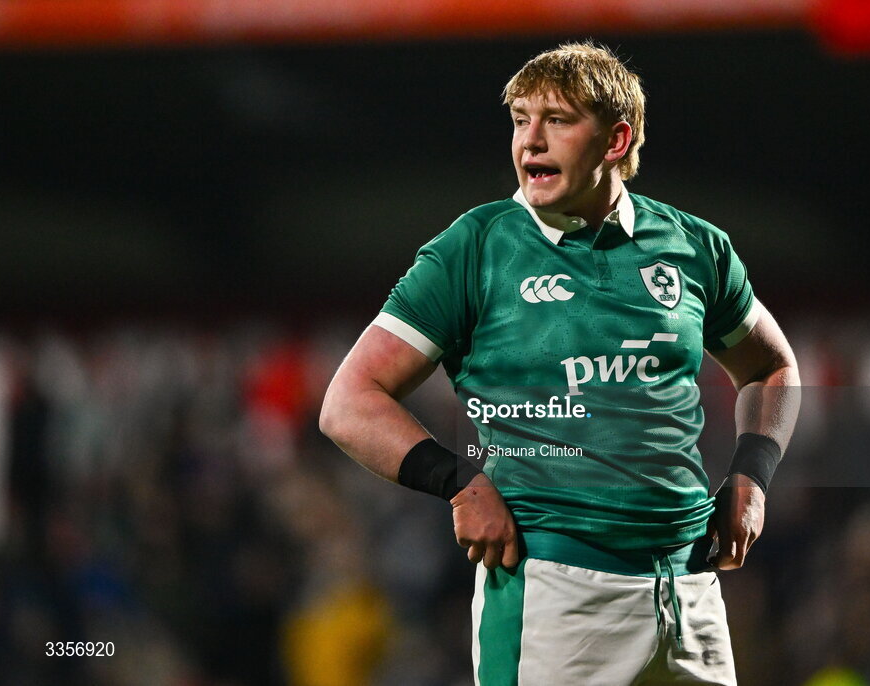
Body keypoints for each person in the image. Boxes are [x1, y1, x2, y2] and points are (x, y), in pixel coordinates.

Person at [320, 42, 800, 685]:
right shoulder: (475, 247)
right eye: (521, 119)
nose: (530, 142)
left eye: (558, 120)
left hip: (689, 590)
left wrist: (752, 476)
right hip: (554, 592)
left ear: (615, 138)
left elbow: (773, 370)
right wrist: (459, 483)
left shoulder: (694, 246)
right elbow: (349, 401)